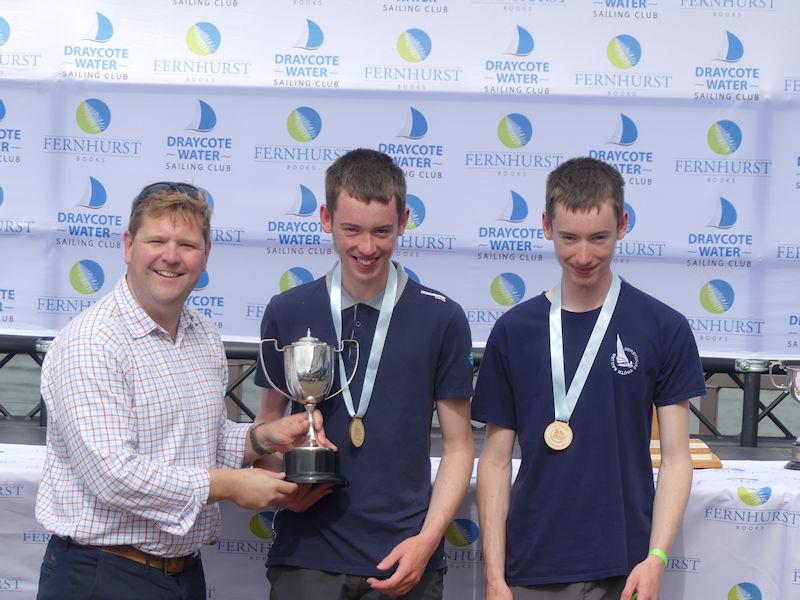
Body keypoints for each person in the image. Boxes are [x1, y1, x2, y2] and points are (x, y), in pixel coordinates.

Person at [35, 182, 330, 600]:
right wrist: (230, 485)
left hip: (182, 576)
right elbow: (113, 475)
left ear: (205, 255)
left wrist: (260, 437)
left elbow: (194, 439)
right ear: (128, 246)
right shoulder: (92, 342)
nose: (171, 256)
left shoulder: (204, 335)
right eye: (157, 240)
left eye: (187, 244)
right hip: (102, 575)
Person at [473, 157, 706, 600]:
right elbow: (496, 461)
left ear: (622, 225)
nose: (583, 256)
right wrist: (494, 574)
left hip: (626, 566)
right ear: (545, 226)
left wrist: (655, 558)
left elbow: (677, 459)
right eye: (569, 238)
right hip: (531, 564)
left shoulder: (663, 326)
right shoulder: (514, 331)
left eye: (599, 238)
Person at [255, 148, 475, 599]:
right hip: (306, 557)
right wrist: (282, 479)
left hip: (405, 558)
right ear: (325, 218)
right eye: (351, 230)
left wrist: (427, 541)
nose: (367, 248)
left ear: (405, 220)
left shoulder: (442, 318)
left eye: (382, 231)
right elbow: (265, 430)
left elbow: (458, 447)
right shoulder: (288, 311)